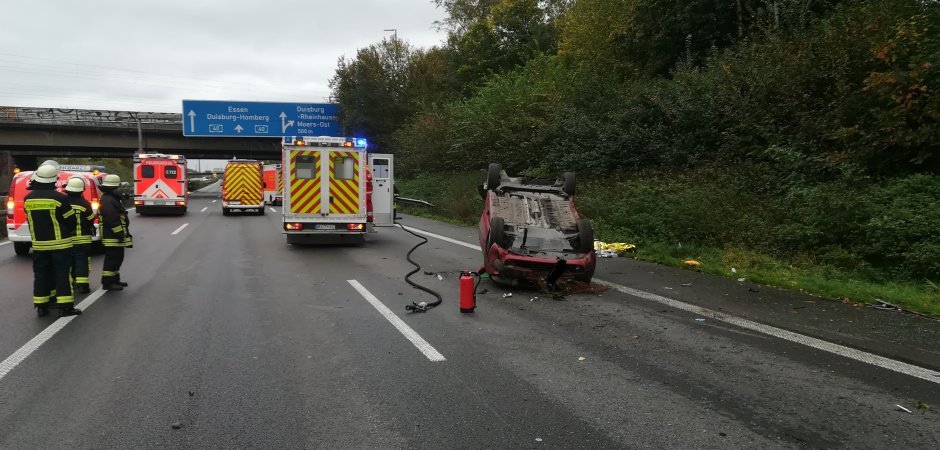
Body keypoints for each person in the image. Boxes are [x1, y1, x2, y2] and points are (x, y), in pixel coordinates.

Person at [23, 164, 81, 317]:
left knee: (41, 275)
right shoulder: (60, 198)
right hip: (61, 245)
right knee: (62, 274)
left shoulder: (28, 199)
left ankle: (42, 307)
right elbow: (71, 221)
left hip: (39, 245)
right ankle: (65, 307)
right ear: (54, 180)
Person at [99, 174, 131, 290]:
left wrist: (121, 197)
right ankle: (107, 283)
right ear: (113, 188)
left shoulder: (110, 198)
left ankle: (115, 280)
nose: (119, 189)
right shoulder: (108, 200)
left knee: (117, 259)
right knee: (112, 259)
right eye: (118, 187)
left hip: (114, 235)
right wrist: (120, 233)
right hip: (112, 236)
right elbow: (111, 219)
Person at [65, 176, 96, 294]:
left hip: (66, 239)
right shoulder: (85, 203)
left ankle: (69, 284)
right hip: (83, 239)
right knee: (82, 262)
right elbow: (90, 220)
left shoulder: (63, 203)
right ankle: (83, 285)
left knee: (68, 263)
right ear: (82, 190)